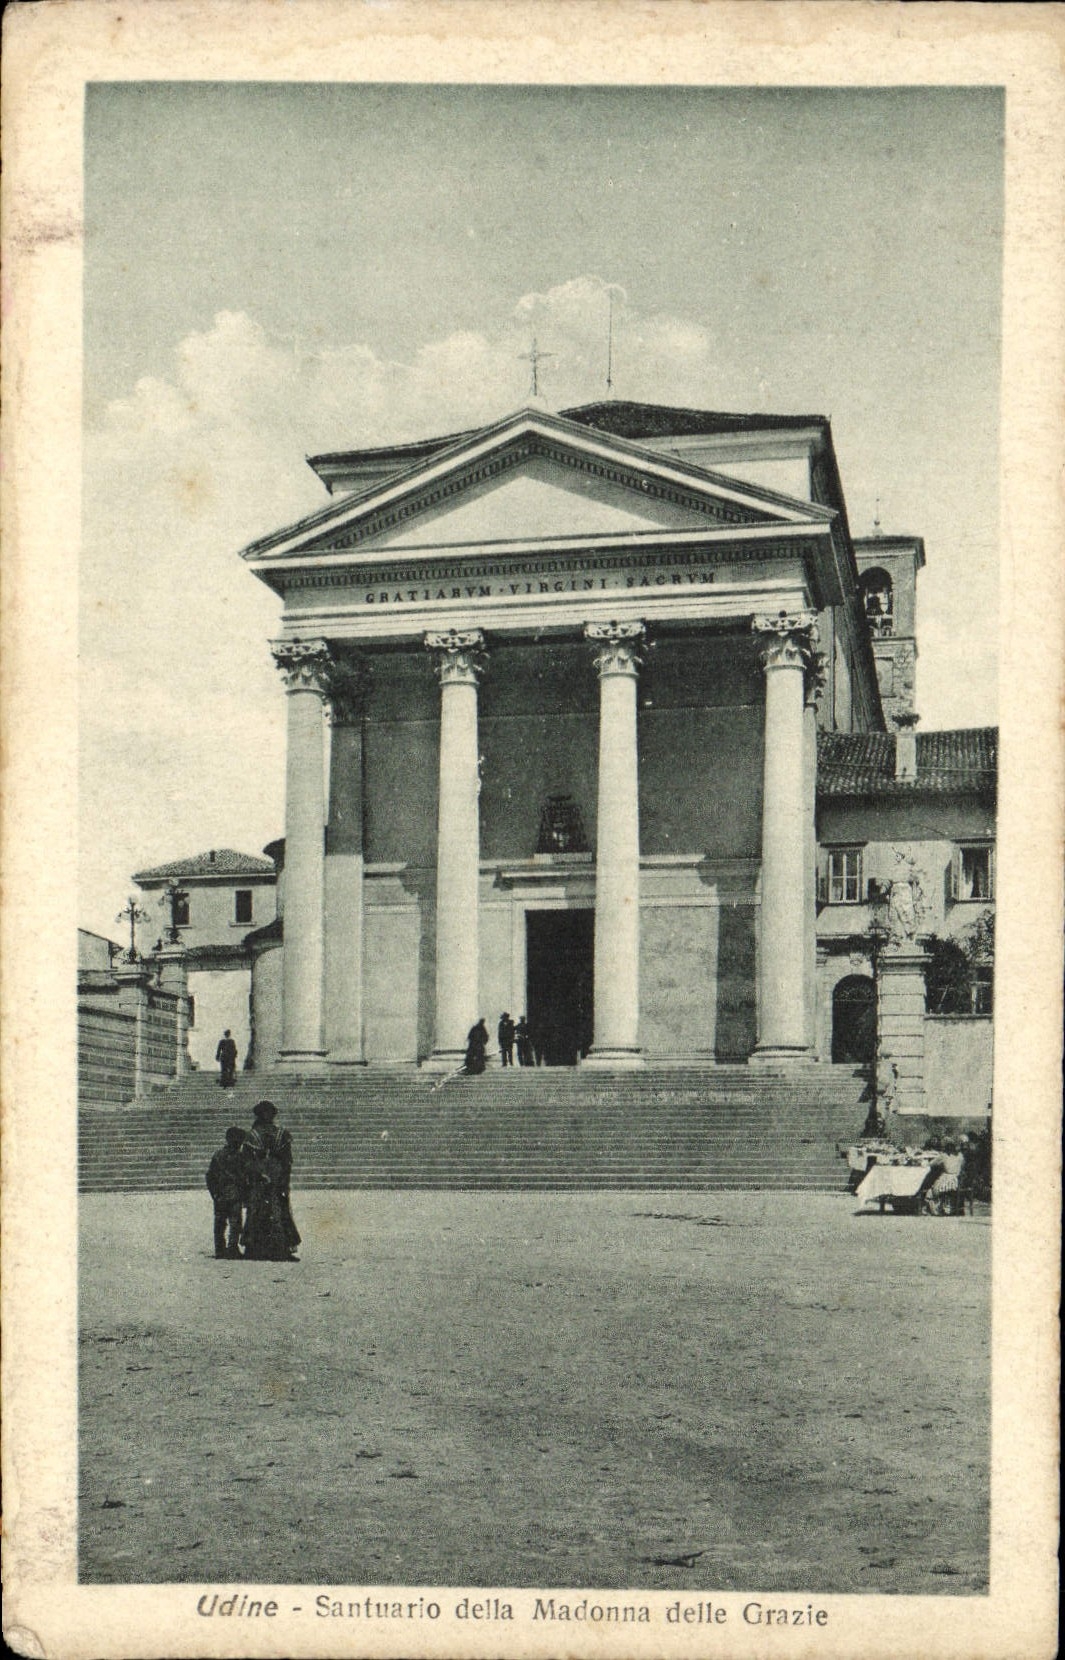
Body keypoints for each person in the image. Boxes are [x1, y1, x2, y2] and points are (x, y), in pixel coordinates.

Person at [241, 1100, 300, 1261]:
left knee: (261, 1211)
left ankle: (257, 1248)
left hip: (262, 1179)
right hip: (273, 1178)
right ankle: (278, 1249)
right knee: (277, 1211)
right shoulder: (281, 1134)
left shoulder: (252, 1136)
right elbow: (287, 1161)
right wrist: (284, 1180)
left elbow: (246, 1162)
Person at [205, 1127, 247, 1259]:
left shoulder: (218, 1155)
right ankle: (232, 1248)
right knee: (235, 1222)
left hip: (221, 1194)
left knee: (220, 1222)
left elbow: (210, 1176)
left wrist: (214, 1193)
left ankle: (220, 1249)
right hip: (234, 1194)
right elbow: (245, 1176)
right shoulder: (240, 1157)